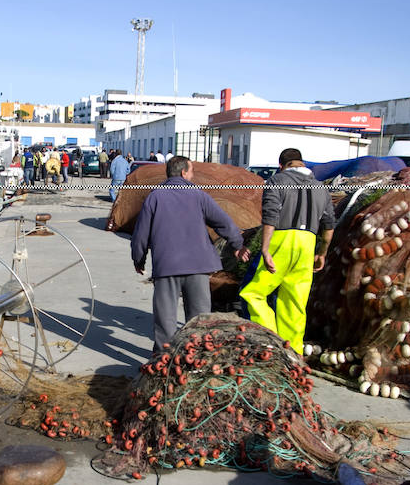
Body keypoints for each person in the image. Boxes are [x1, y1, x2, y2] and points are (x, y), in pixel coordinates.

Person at [131, 156, 249, 351]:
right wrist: (237, 244)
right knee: (199, 321)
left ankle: (164, 362)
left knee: (165, 321)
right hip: (198, 267)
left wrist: (139, 257)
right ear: (184, 173)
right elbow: (223, 222)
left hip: (167, 267)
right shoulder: (198, 195)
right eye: (192, 171)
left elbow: (141, 233)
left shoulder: (155, 196)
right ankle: (196, 361)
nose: (193, 175)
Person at [240, 147, 335, 355]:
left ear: (281, 166)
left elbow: (270, 216)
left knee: (252, 293)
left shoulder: (276, 181)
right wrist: (322, 252)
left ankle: (269, 343)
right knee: (294, 303)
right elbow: (329, 225)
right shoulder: (321, 188)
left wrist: (265, 248)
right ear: (302, 163)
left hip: (281, 242)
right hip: (307, 245)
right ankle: (293, 355)